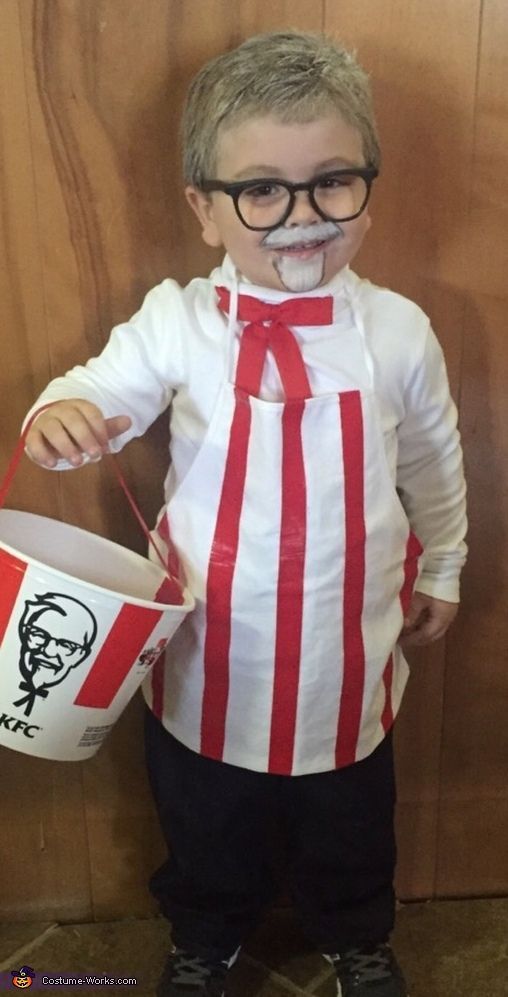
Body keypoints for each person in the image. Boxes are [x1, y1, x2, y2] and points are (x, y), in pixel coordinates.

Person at [22, 30, 467, 997]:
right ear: (205, 209)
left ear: (368, 187)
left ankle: (357, 935)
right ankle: (205, 934)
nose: (299, 217)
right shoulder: (177, 321)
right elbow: (100, 388)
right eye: (261, 190)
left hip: (352, 657)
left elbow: (434, 459)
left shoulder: (396, 331)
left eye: (332, 182)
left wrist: (443, 568)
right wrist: (61, 413)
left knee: (352, 822)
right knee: (205, 824)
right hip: (208, 663)